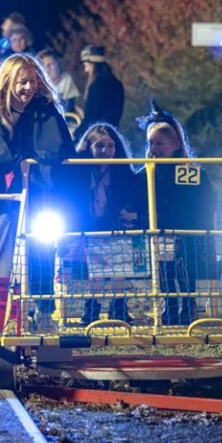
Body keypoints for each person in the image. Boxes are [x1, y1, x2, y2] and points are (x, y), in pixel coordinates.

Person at [0, 54, 77, 326]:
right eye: (22, 82)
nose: (28, 88)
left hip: (39, 186)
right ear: (8, 82)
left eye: (32, 81)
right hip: (4, 187)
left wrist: (35, 163)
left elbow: (57, 145)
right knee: (4, 237)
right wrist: (19, 164)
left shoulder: (44, 107)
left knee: (41, 243)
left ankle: (42, 308)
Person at [138, 101, 217, 325]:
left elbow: (202, 201)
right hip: (159, 231)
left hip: (185, 231)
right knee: (163, 270)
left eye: (160, 143)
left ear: (174, 144)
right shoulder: (145, 172)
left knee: (184, 267)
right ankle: (170, 305)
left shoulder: (190, 171)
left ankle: (188, 304)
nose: (154, 149)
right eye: (151, 143)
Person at [74, 123, 140, 323]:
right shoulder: (79, 170)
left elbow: (131, 194)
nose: (106, 151)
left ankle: (119, 307)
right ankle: (92, 309)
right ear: (89, 147)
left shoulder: (122, 172)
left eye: (110, 146)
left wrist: (127, 212)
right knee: (95, 270)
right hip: (90, 224)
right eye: (100, 146)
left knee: (120, 268)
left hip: (115, 223)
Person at [77, 46, 124, 137]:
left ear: (92, 64)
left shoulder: (96, 87)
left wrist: (76, 135)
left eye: (85, 65)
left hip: (96, 137)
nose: (85, 70)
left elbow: (91, 117)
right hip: (112, 136)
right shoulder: (117, 84)